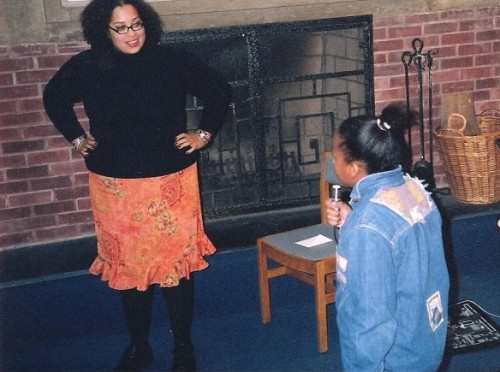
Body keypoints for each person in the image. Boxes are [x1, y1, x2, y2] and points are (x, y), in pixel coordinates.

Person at [43, 0, 231, 370]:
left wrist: (203, 133)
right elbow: (54, 97)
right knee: (130, 271)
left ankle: (183, 350)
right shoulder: (88, 65)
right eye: (121, 28)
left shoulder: (172, 60)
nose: (132, 34)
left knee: (175, 270)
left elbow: (218, 90)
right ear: (103, 30)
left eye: (137, 25)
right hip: (116, 187)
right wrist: (77, 138)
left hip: (170, 183)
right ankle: (139, 346)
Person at [325, 104, 449, 371]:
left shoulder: (366, 228)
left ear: (355, 167)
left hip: (394, 359)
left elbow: (369, 320)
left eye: (334, 157)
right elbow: (399, 249)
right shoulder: (413, 189)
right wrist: (352, 217)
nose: (331, 162)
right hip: (424, 341)